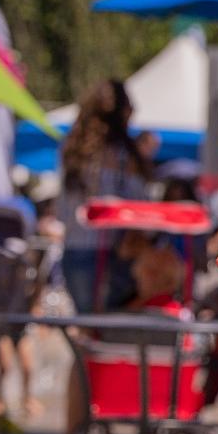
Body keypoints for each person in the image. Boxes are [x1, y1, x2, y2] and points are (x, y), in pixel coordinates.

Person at [58, 78, 154, 311]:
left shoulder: (72, 149)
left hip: (73, 250)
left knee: (87, 329)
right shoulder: (124, 156)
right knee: (106, 332)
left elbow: (62, 211)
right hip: (113, 256)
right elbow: (140, 208)